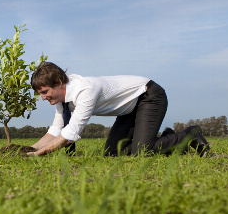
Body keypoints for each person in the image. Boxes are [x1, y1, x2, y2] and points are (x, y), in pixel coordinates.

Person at [26, 62, 209, 157]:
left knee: (142, 151)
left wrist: (41, 153)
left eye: (45, 92)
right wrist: (27, 149)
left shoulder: (85, 90)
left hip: (147, 96)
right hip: (128, 109)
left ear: (58, 83)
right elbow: (56, 130)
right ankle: (170, 139)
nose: (43, 97)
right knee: (112, 153)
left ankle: (190, 135)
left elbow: (71, 133)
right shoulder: (61, 97)